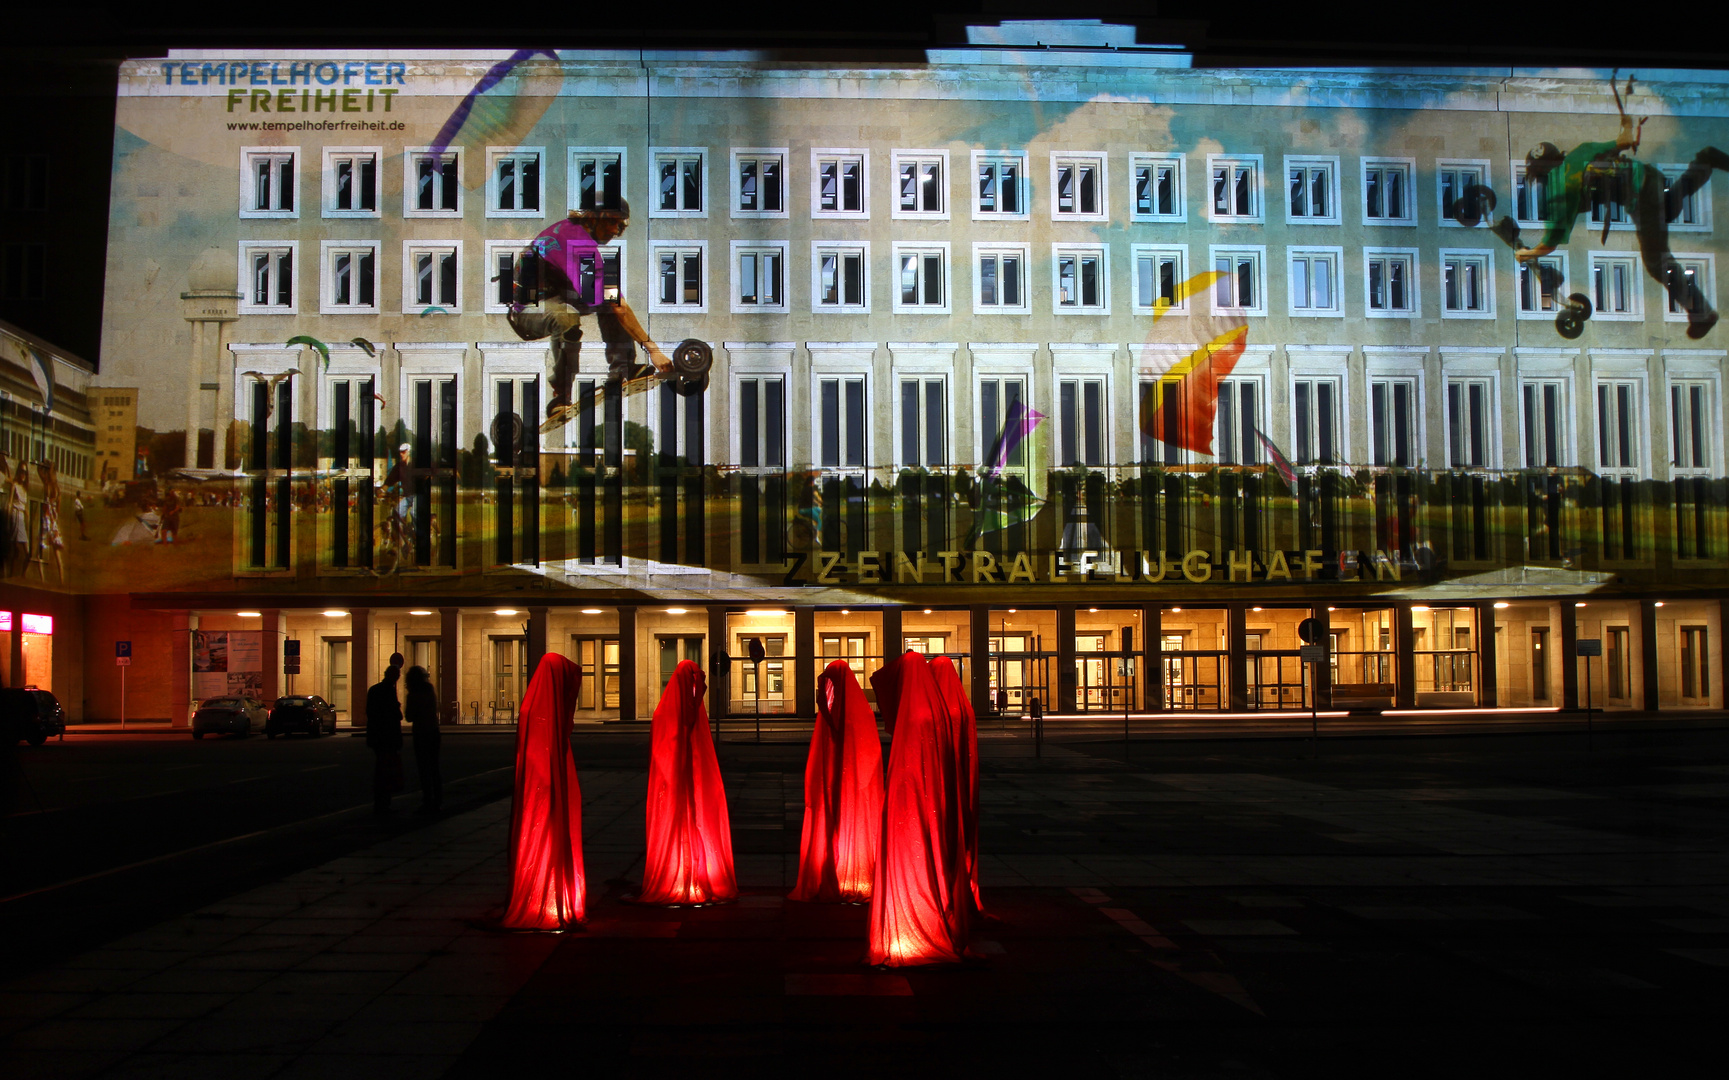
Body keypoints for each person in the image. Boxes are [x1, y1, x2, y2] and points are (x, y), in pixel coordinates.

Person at [1516, 74, 1729, 339]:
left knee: (1656, 262)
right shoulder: (1580, 152)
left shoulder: (1559, 188)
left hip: (1642, 199)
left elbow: (1550, 243)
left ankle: (1702, 314)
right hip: (1649, 177)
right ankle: (1706, 159)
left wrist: (1527, 254)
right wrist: (1627, 124)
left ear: (1540, 174)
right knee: (1671, 205)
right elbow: (1624, 142)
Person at [504, 200, 675, 416]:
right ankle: (561, 395)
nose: (615, 231)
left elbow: (612, 300)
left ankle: (623, 369)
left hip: (556, 295)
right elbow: (619, 307)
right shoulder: (577, 245)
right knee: (569, 317)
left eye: (620, 226)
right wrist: (653, 350)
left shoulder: (577, 234)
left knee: (609, 300)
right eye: (612, 223)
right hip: (526, 311)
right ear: (594, 218)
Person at [867, 650, 978, 966]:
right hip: (936, 798)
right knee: (936, 849)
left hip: (912, 797)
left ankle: (914, 921)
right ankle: (938, 905)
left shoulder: (915, 713)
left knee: (916, 850)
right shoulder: (938, 708)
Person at [638, 660, 737, 905]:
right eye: (693, 686)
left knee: (694, 820)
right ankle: (680, 871)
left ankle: (693, 869)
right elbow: (664, 753)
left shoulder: (688, 713)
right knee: (679, 824)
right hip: (672, 786)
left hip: (686, 782)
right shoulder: (667, 714)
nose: (696, 693)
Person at [498, 653, 586, 930]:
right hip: (541, 796)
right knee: (544, 841)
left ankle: (547, 891)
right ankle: (545, 896)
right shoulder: (540, 713)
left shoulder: (536, 708)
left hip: (542, 794)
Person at [790, 660, 883, 904]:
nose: (824, 696)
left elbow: (866, 759)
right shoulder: (849, 717)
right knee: (833, 821)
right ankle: (837, 868)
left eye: (828, 687)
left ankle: (846, 871)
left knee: (843, 822)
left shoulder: (857, 717)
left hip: (852, 788)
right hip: (837, 784)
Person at [364, 662, 404, 815]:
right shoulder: (388, 690)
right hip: (387, 736)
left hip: (377, 736)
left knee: (381, 770)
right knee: (385, 771)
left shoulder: (374, 690)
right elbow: (394, 715)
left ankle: (381, 803)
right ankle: (383, 804)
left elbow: (370, 713)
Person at [405, 665, 442, 814]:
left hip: (420, 733)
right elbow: (435, 709)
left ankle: (428, 799)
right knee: (434, 767)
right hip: (433, 731)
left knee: (423, 768)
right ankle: (438, 799)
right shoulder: (429, 690)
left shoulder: (412, 694)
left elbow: (409, 716)